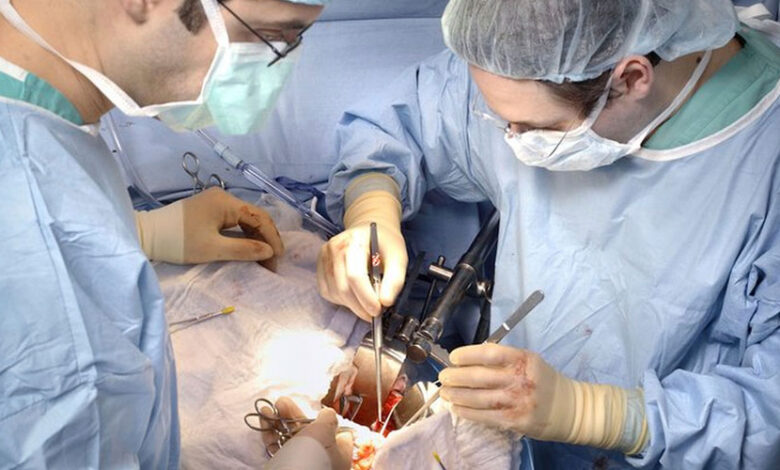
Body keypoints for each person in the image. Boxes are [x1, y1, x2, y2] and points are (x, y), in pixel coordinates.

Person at [318, 0, 780, 468]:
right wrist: (371, 210)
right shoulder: (534, 48)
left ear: (631, 78)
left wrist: (593, 414)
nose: (510, 138)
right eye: (499, 120)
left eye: (537, 129)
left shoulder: (764, 168)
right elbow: (406, 124)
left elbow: (768, 411)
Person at [0, 0, 347, 468]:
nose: (277, 68)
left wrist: (144, 232)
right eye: (271, 36)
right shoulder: (39, 240)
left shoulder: (39, 121)